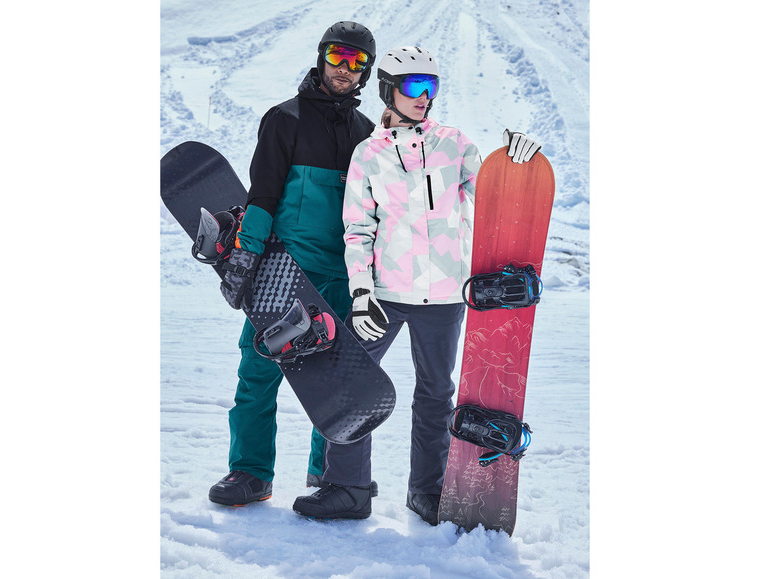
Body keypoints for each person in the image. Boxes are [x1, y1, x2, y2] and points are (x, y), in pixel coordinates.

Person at [292, 46, 541, 524]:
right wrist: (361, 292)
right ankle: (348, 489)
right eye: (414, 86)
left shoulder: (454, 144)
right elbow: (358, 230)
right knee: (352, 385)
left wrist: (514, 160)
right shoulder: (368, 154)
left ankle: (426, 491)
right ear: (388, 90)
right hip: (384, 295)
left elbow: (492, 191)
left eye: (432, 86)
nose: (425, 96)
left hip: (444, 295)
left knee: (435, 394)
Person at [208, 22, 377, 507]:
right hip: (285, 271)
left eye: (356, 62)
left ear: (366, 72)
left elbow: (377, 211)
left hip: (344, 274)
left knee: (337, 380)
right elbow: (262, 195)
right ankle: (250, 471)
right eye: (337, 56)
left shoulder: (368, 135)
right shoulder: (285, 119)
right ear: (322, 58)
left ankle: (330, 475)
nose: (345, 69)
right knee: (258, 373)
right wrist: (246, 255)